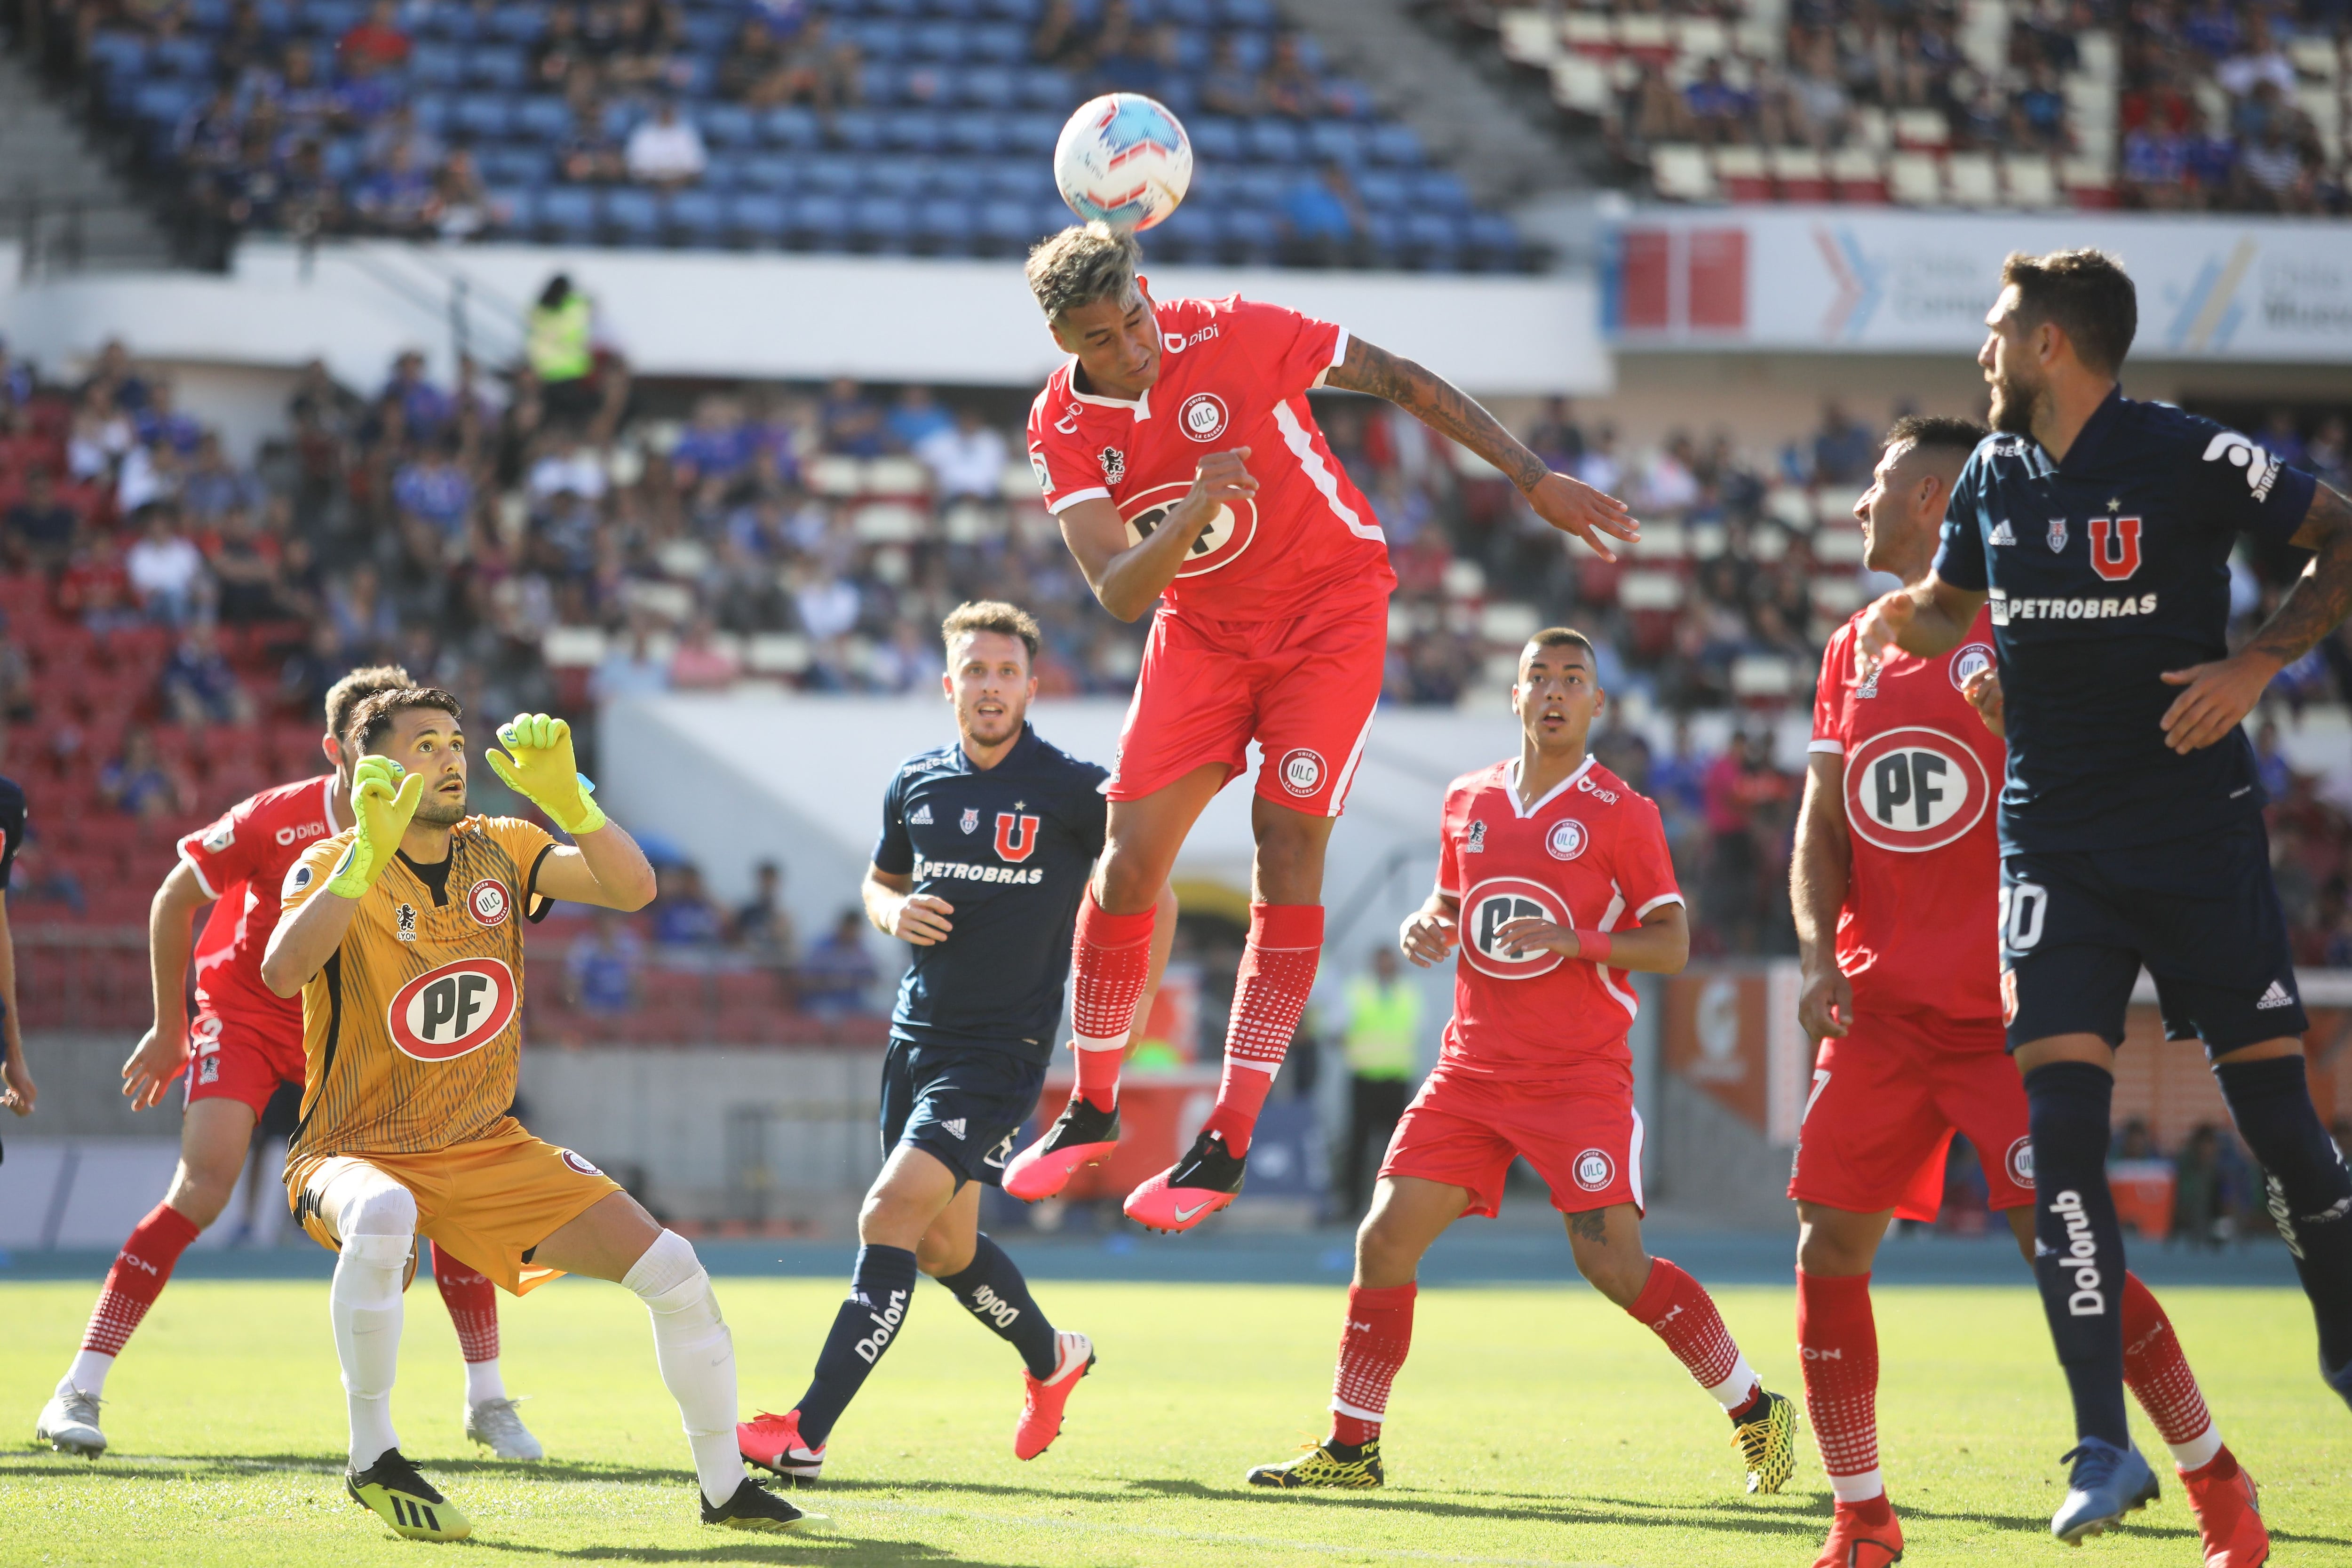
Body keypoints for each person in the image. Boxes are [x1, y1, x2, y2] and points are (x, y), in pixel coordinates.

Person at [1855, 247, 2352, 1542]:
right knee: (2058, 1137)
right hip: (2056, 848)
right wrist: (1905, 623)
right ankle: (2102, 1442)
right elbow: (1951, 606)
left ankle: (2347, 1344)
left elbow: (2343, 531)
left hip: (2196, 839)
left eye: (1999, 329)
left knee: (2280, 1125)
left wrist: (2253, 668)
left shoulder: (2188, 454)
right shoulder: (1994, 480)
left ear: (2054, 347)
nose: (1983, 347)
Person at [1006, 222, 1637, 1231]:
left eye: (1135, 319)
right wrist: (1191, 506)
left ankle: (1228, 1139)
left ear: (1148, 288)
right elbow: (1120, 591)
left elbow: (1399, 379)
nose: (1132, 348)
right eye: (1101, 340)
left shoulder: (1238, 331)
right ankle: (1090, 1106)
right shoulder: (1060, 427)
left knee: (1286, 843)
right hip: (1201, 634)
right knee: (1127, 864)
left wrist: (1529, 477)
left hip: (1329, 614)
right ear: (1063, 341)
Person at [1792, 418, 2261, 1568]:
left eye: (1878, 481)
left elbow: (2133, 782)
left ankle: (2216, 1483)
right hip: (1879, 1012)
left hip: (2009, 1013)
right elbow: (1821, 824)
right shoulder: (1853, 645)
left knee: (2065, 1255)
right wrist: (1813, 955)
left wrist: (2035, 732)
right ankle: (1863, 1518)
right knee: (1825, 1250)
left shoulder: (2036, 630)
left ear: (1935, 501)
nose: (1858, 502)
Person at [1245, 629, 1796, 1493]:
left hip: (1576, 1076)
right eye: (1538, 676)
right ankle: (1353, 1449)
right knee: (1383, 1240)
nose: (1555, 691)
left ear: (1597, 705)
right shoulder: (1468, 799)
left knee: (1614, 1265)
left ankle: (1755, 1407)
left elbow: (1673, 944)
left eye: (1574, 679)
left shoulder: (1624, 812)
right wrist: (1422, 923)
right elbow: (1449, 901)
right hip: (1469, 1072)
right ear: (1513, 696)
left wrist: (1572, 938)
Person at [254, 692, 810, 1537]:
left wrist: (573, 804)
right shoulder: (332, 861)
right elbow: (283, 971)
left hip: (486, 1147)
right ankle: (373, 1457)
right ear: (377, 768)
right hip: (350, 1149)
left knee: (677, 1270)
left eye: (455, 742)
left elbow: (633, 888)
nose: (449, 759)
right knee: (384, 1210)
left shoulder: (504, 847)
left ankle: (725, 1486)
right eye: (424, 745)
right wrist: (363, 858)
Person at [35, 668, 544, 1465]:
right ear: (339, 750)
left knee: (447, 1190)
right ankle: (78, 1387)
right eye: (378, 748)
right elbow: (175, 897)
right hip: (247, 1012)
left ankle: (487, 1399)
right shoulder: (275, 819)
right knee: (204, 1185)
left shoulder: (440, 828)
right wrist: (172, 1027)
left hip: (350, 1027)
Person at [738, 601, 1176, 1482]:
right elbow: (878, 879)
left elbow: (1151, 889)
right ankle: (1054, 1355)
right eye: (974, 671)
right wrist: (893, 909)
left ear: (1032, 686)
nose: (990, 686)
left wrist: (1132, 1003)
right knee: (941, 1247)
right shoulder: (917, 783)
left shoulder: (1074, 790)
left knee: (887, 1213)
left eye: (1006, 672)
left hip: (999, 1053)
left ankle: (806, 1431)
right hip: (914, 1041)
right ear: (949, 685)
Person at [1335, 946, 1418, 1216]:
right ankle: (1353, 1203)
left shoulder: (1408, 993)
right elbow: (1338, 1026)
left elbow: (1417, 1028)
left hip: (1396, 1077)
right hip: (1365, 1077)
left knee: (1395, 1148)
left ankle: (1391, 1205)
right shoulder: (1358, 990)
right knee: (1358, 1144)